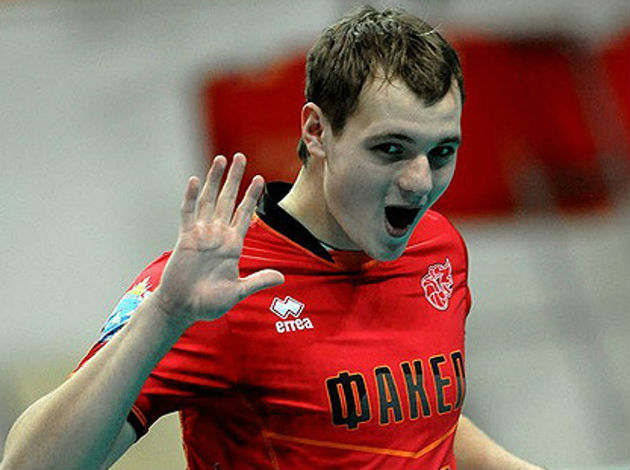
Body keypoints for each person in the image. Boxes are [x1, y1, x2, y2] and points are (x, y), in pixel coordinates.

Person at [1, 6, 545, 470]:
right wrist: (163, 316)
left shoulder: (438, 249)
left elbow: (414, 424)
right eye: (390, 149)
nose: (420, 181)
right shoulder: (219, 288)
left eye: (442, 152)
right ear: (316, 131)